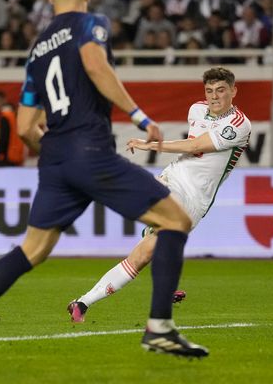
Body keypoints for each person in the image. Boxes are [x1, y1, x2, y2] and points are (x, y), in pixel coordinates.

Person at [0, 0, 208, 363]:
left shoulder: (37, 50)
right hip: (89, 150)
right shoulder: (89, 23)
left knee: (31, 251)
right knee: (176, 221)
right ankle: (159, 328)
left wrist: (60, 157)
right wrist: (139, 116)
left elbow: (26, 126)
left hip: (55, 159)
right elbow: (96, 65)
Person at [67, 67, 251, 322]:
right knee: (158, 214)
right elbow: (191, 149)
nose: (214, 96)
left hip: (196, 201)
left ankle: (83, 302)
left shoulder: (239, 124)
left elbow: (197, 145)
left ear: (233, 91)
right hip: (172, 179)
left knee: (143, 255)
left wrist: (151, 145)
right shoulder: (196, 109)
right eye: (209, 91)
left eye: (221, 90)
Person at [0, 90, 25, 167]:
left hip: (6, 158)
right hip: (16, 157)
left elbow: (3, 139)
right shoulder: (14, 115)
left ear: (3, 100)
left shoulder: (5, 117)